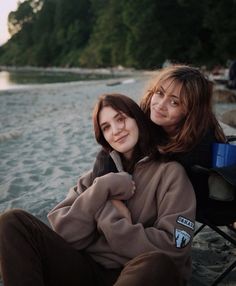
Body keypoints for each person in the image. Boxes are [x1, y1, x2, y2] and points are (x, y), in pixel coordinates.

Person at [0, 93, 196, 286]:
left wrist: (112, 221)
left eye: (121, 119)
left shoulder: (170, 173)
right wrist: (103, 189)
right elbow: (66, 236)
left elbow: (174, 248)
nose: (116, 130)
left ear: (137, 119)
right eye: (106, 127)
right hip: (86, 269)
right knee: (12, 221)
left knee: (157, 262)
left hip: (137, 273)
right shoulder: (96, 177)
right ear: (103, 137)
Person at [92, 65, 226, 210]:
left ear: (190, 111)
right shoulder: (150, 119)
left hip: (196, 200)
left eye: (174, 102)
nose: (160, 105)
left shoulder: (198, 144)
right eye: (160, 93)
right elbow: (115, 150)